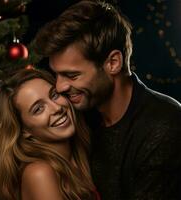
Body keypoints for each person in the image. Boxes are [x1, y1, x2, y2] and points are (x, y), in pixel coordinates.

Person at [33, 0, 181, 200]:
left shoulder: (165, 125)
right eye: (57, 75)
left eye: (72, 75)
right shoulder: (79, 116)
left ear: (113, 63)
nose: (59, 87)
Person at [0, 69, 99, 200]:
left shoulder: (82, 154)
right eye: (38, 109)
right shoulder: (39, 173)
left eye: (54, 95)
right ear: (24, 131)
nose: (57, 108)